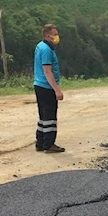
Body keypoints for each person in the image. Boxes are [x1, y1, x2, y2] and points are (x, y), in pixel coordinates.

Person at [33, 24, 65, 153]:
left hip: (39, 85)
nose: (57, 36)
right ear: (48, 36)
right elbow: (47, 71)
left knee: (43, 116)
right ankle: (49, 144)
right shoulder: (46, 50)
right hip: (46, 87)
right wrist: (57, 90)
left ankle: (40, 143)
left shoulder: (40, 46)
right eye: (55, 34)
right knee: (50, 117)